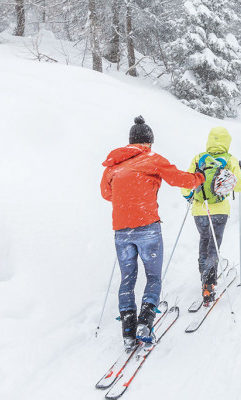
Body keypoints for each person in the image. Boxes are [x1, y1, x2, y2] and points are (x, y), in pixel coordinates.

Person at [100, 116, 205, 349]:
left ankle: (128, 330)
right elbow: (181, 180)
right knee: (153, 277)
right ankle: (145, 323)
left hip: (121, 231)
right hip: (147, 227)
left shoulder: (113, 165)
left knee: (127, 279)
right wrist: (200, 177)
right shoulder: (152, 159)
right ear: (147, 142)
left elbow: (107, 194)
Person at [181, 127, 241, 305]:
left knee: (204, 240)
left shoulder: (199, 158)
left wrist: (189, 196)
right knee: (213, 247)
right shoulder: (229, 159)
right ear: (227, 142)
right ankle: (208, 283)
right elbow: (238, 187)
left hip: (200, 210)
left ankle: (204, 274)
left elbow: (186, 183)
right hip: (219, 210)